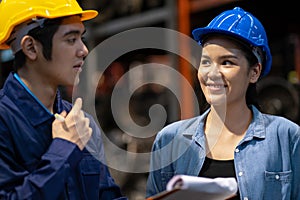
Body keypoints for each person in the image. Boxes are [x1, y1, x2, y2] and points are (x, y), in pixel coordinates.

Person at [146, 7, 300, 199]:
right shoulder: (169, 140)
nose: (212, 73)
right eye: (206, 62)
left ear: (254, 72)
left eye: (227, 62)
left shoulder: (286, 137)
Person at [0, 0, 127, 199]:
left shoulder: (82, 124)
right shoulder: (4, 123)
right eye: (70, 39)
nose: (83, 50)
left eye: (81, 38)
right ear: (31, 47)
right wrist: (64, 149)